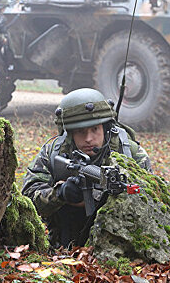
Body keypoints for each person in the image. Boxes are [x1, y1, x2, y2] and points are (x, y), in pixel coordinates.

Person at [22, 88, 151, 248]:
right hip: (63, 244)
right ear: (69, 134)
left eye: (95, 129)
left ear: (105, 127)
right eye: (80, 132)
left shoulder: (130, 153)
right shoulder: (53, 152)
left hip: (122, 243)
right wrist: (59, 194)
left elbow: (150, 201)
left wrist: (97, 198)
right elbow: (26, 201)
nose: (89, 138)